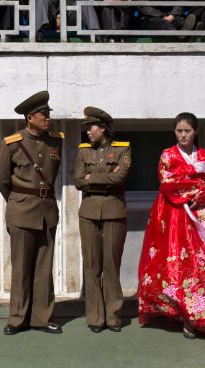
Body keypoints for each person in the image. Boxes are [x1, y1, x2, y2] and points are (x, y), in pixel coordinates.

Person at [137, 112, 205, 339]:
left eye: (187, 131)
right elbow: (168, 184)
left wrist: (204, 193)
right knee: (180, 265)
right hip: (175, 216)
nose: (183, 135)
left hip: (203, 216)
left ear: (195, 132)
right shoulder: (167, 155)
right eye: (179, 131)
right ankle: (186, 316)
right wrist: (198, 190)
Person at [0, 90, 63, 335]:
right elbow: (1, 180)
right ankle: (17, 318)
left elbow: (52, 175)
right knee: (21, 268)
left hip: (47, 211)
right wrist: (19, 200)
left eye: (48, 114)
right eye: (43, 114)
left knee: (44, 269)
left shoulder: (56, 141)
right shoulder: (11, 143)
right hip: (22, 212)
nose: (48, 118)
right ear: (29, 118)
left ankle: (41, 318)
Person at [74, 107, 131, 333]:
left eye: (92, 127)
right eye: (87, 127)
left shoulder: (122, 149)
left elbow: (119, 177)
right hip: (88, 213)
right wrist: (101, 179)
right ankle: (96, 317)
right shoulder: (83, 151)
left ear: (103, 128)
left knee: (111, 265)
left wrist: (92, 178)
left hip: (114, 212)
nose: (88, 131)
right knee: (92, 266)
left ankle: (113, 316)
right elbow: (78, 181)